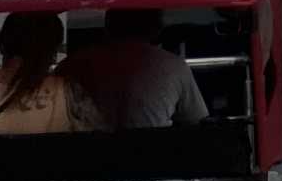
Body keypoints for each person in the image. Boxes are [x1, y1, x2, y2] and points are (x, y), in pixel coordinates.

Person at [60, 7, 209, 130]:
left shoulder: (72, 64)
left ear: (108, 25)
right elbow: (196, 120)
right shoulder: (174, 65)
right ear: (157, 28)